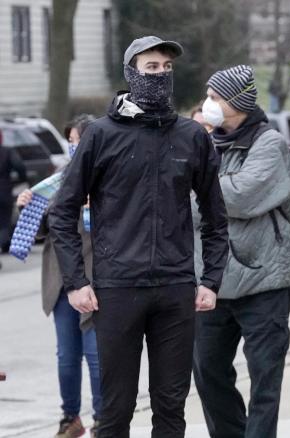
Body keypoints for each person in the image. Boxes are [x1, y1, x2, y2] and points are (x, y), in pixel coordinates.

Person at [48, 36, 229, 438]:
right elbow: (62, 211)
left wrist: (211, 280)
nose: (161, 74)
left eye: (167, 68)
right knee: (115, 411)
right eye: (152, 67)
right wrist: (76, 281)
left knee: (171, 408)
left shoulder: (191, 136)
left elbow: (216, 218)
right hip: (116, 288)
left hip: (176, 288)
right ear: (131, 73)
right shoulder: (100, 135)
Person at [191, 65, 290, 438]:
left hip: (263, 278)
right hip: (212, 282)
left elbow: (242, 195)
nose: (208, 104)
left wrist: (197, 185)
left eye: (216, 97)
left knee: (265, 378)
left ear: (237, 101)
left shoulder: (269, 143)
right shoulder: (201, 140)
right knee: (207, 372)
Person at [17, 115, 101, 438]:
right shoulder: (58, 179)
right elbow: (41, 232)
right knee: (67, 355)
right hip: (61, 280)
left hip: (96, 277)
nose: (72, 146)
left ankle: (103, 419)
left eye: (77, 139)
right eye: (70, 140)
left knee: (96, 355)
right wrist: (30, 207)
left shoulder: (106, 175)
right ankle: (70, 417)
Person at [0, 130, 27, 257]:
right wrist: (22, 178)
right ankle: (4, 242)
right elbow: (20, 166)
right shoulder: (7, 151)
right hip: (4, 189)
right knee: (5, 219)